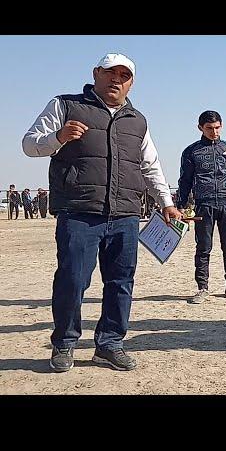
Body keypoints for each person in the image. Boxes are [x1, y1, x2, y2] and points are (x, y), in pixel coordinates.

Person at [22, 52, 182, 372]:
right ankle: (65, 343)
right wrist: (58, 137)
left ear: (131, 83)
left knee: (121, 281)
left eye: (124, 76)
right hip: (80, 212)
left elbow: (149, 165)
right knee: (73, 279)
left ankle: (109, 344)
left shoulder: (137, 120)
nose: (116, 80)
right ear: (96, 73)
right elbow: (29, 144)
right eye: (110, 73)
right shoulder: (65, 106)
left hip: (125, 213)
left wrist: (166, 202)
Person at [177, 110, 226, 304]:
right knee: (203, 247)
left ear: (222, 126)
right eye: (209, 128)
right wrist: (181, 205)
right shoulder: (191, 151)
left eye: (217, 127)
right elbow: (185, 180)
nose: (214, 132)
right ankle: (202, 288)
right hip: (204, 204)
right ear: (200, 127)